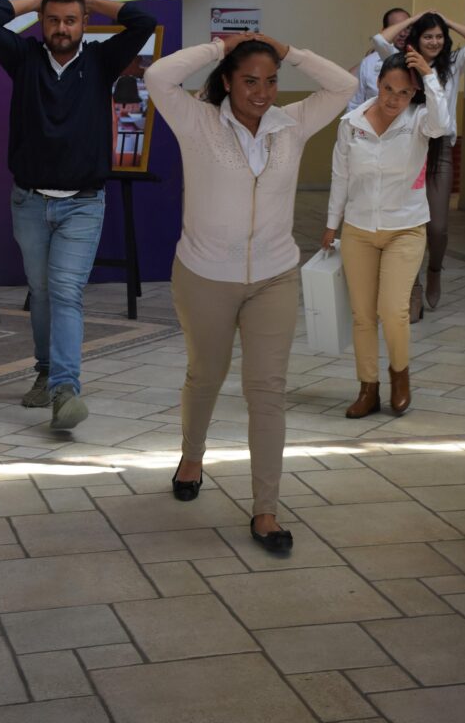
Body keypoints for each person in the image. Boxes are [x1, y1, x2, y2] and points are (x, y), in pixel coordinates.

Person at [144, 32, 356, 551]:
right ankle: (192, 455)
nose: (262, 93)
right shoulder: (196, 121)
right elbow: (157, 76)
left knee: (267, 390)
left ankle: (266, 510)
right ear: (227, 81)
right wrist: (222, 46)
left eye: (271, 81)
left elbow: (344, 85)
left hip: (274, 275)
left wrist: (290, 51)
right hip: (205, 275)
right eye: (250, 82)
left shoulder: (293, 124)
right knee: (206, 375)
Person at [0, 0, 156, 430]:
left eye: (71, 20)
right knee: (41, 293)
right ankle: (45, 371)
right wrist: (37, 1)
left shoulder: (101, 61)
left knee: (66, 292)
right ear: (42, 21)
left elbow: (143, 23)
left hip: (83, 205)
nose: (61, 29)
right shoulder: (23, 58)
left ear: (84, 22)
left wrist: (91, 0)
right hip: (30, 202)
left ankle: (65, 389)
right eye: (53, 19)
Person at [322, 49, 450, 419]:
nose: (394, 99)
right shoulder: (351, 123)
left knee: (393, 311)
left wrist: (429, 77)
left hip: (405, 229)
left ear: (415, 94)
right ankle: (368, 388)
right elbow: (340, 175)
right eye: (388, 89)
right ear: (377, 84)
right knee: (362, 315)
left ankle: (400, 377)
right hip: (359, 229)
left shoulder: (420, 121)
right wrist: (331, 224)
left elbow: (442, 123)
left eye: (404, 93)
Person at [374, 12, 465, 316]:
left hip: (440, 151)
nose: (434, 42)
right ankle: (413, 288)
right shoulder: (403, 62)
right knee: (407, 224)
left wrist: (446, 21)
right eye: (428, 36)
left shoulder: (453, 63)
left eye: (439, 36)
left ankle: (434, 269)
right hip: (407, 147)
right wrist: (415, 18)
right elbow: (380, 40)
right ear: (416, 38)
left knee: (437, 227)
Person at [347, 8, 411, 109]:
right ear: (385, 31)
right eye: (396, 28)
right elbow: (354, 105)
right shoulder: (369, 62)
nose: (403, 33)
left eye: (407, 28)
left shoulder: (420, 59)